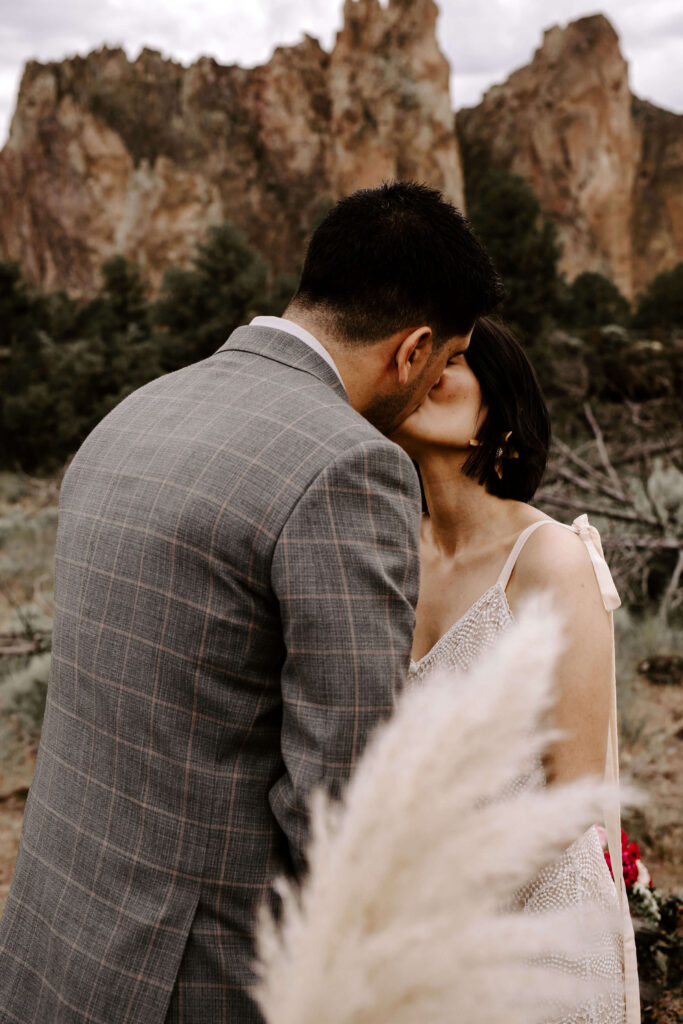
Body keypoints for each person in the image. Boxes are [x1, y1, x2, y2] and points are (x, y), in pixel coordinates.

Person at [0, 182, 503, 1024]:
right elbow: (341, 803)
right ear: (411, 349)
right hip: (196, 980)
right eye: (449, 359)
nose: (435, 388)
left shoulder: (135, 413)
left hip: (53, 939)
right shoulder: (349, 466)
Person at [392, 316, 639, 1023]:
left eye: (456, 359)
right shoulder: (387, 556)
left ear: (498, 409)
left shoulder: (548, 558)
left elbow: (575, 795)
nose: (428, 368)